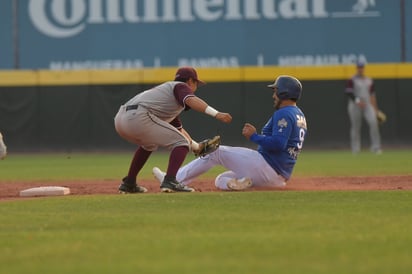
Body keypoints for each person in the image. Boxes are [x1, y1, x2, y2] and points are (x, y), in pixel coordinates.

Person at [153, 75, 307, 191]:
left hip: (267, 167)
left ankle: (174, 179)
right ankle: (240, 184)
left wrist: (254, 136)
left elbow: (279, 144)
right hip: (277, 179)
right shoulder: (298, 114)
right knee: (222, 179)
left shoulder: (284, 113)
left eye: (276, 91)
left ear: (284, 92)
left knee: (214, 151)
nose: (274, 95)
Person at [114, 67, 232, 193]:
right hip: (138, 116)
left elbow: (179, 131)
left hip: (121, 119)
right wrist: (216, 114)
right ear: (190, 81)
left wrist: (197, 147)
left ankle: (129, 183)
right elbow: (191, 100)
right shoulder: (180, 86)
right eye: (196, 83)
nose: (196, 87)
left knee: (149, 145)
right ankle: (170, 181)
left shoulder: (167, 99)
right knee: (181, 143)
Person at [345, 61, 382, 154]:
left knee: (374, 122)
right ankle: (355, 149)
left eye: (362, 67)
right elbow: (349, 93)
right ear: (357, 68)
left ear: (363, 68)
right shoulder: (352, 79)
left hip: (367, 104)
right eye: (359, 67)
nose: (360, 69)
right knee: (356, 127)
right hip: (355, 105)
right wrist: (358, 101)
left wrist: (376, 109)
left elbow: (372, 95)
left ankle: (376, 147)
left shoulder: (369, 80)